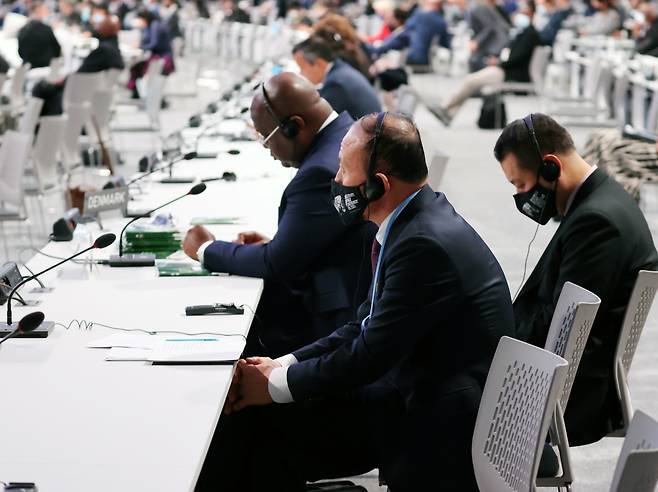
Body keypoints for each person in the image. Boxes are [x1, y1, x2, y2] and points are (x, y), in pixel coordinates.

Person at [195, 112, 514, 491]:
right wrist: (279, 366)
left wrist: (273, 386)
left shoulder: (422, 244)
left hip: (432, 420)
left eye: (344, 173)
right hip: (411, 391)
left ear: (378, 185)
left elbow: (368, 356)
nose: (336, 183)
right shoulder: (413, 222)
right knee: (255, 420)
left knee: (251, 425)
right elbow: (360, 326)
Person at [183, 73, 376, 357]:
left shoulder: (320, 171)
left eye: (266, 139)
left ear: (294, 127)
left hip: (334, 320)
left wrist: (206, 250)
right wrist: (285, 239)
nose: (269, 151)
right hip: (352, 288)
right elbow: (325, 235)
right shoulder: (342, 136)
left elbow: (277, 264)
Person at [494, 113, 658, 445]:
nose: (521, 197)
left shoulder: (597, 222)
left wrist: (491, 336)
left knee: (445, 394)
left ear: (550, 167)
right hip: (568, 375)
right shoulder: (600, 200)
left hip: (572, 393)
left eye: (520, 184)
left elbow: (558, 328)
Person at [429, 0, 540, 126]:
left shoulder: (529, 33)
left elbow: (517, 58)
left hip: (509, 73)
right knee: (472, 81)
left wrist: (498, 62)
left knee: (471, 81)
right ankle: (448, 114)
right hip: (506, 70)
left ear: (530, 11)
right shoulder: (526, 32)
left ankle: (444, 107)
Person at [292, 36, 382, 119]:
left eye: (302, 67)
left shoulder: (336, 84)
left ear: (319, 63)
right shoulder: (340, 70)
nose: (301, 73)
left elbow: (316, 119)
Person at [127, 8, 174, 98]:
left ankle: (137, 93)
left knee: (137, 67)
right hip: (161, 57)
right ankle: (136, 92)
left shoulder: (155, 26)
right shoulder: (153, 25)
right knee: (137, 67)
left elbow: (153, 44)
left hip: (162, 58)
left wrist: (139, 47)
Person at [404, 0, 451, 70]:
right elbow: (445, 43)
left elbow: (407, 26)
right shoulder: (440, 21)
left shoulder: (419, 15)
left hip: (411, 58)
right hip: (426, 61)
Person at [17, 1, 62, 69]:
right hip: (46, 67)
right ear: (39, 11)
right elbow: (57, 50)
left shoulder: (22, 30)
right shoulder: (46, 29)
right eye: (45, 10)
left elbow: (20, 52)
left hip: (29, 66)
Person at [467, 0, 510, 71]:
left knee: (476, 63)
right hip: (497, 41)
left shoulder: (479, 8)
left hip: (496, 43)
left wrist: (477, 41)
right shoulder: (483, 6)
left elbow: (489, 26)